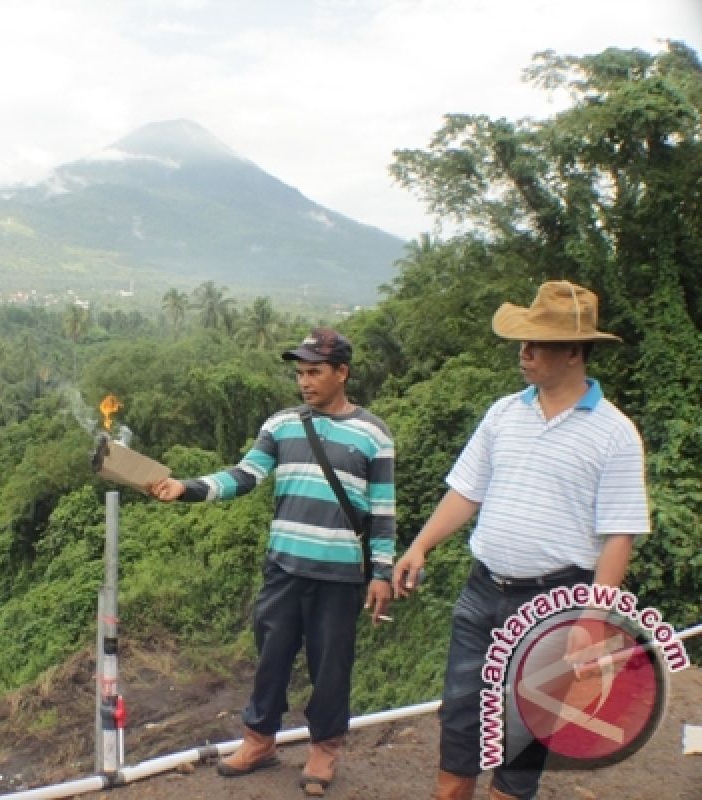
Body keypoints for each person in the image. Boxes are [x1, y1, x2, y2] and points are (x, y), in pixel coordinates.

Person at [391, 280, 650, 800]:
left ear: (574, 351)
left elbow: (619, 533)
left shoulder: (614, 433)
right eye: (522, 341)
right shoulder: (504, 413)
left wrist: (594, 619)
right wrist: (420, 545)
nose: (524, 353)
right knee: (461, 711)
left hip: (554, 602)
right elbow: (466, 492)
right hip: (482, 591)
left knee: (527, 724)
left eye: (537, 343)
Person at [147, 327, 395, 797]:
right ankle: (259, 740)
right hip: (283, 568)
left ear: (342, 372)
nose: (305, 382)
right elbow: (245, 475)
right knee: (272, 659)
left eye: (315, 372)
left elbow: (383, 510)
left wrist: (381, 572)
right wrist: (188, 488)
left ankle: (324, 750)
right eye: (300, 373)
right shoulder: (281, 425)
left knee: (331, 666)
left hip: (339, 574)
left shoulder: (373, 435)